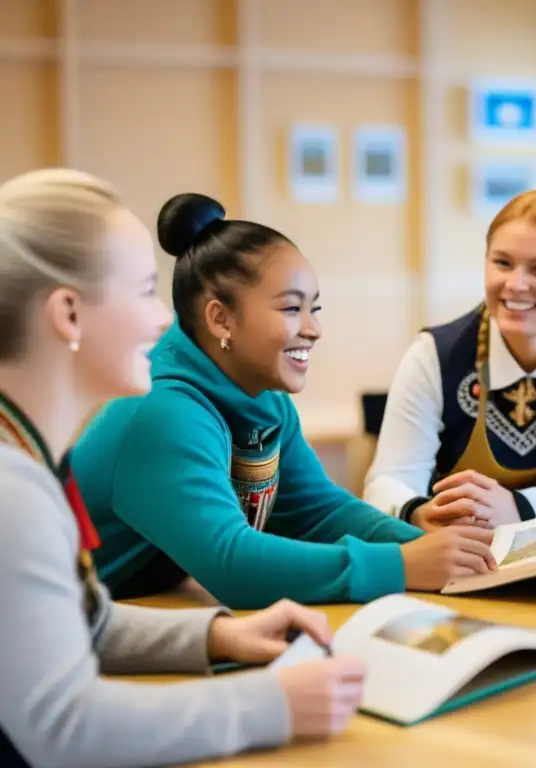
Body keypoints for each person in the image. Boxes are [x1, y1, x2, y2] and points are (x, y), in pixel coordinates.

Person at [0, 168, 366, 767]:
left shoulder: (34, 460)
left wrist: (217, 635)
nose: (163, 320)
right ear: (68, 314)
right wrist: (267, 705)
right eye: (145, 292)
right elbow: (63, 727)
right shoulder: (11, 491)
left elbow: (79, 619)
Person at [71, 192, 496, 610]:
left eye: (315, 308)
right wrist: (402, 564)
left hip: (121, 616)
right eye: (292, 309)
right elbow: (232, 564)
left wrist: (432, 546)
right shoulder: (161, 413)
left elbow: (318, 512)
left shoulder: (263, 396)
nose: (313, 329)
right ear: (221, 318)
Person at [362, 189, 536, 530]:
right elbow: (389, 481)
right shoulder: (433, 354)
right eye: (502, 263)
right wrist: (420, 511)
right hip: (458, 556)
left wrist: (519, 507)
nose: (515, 284)